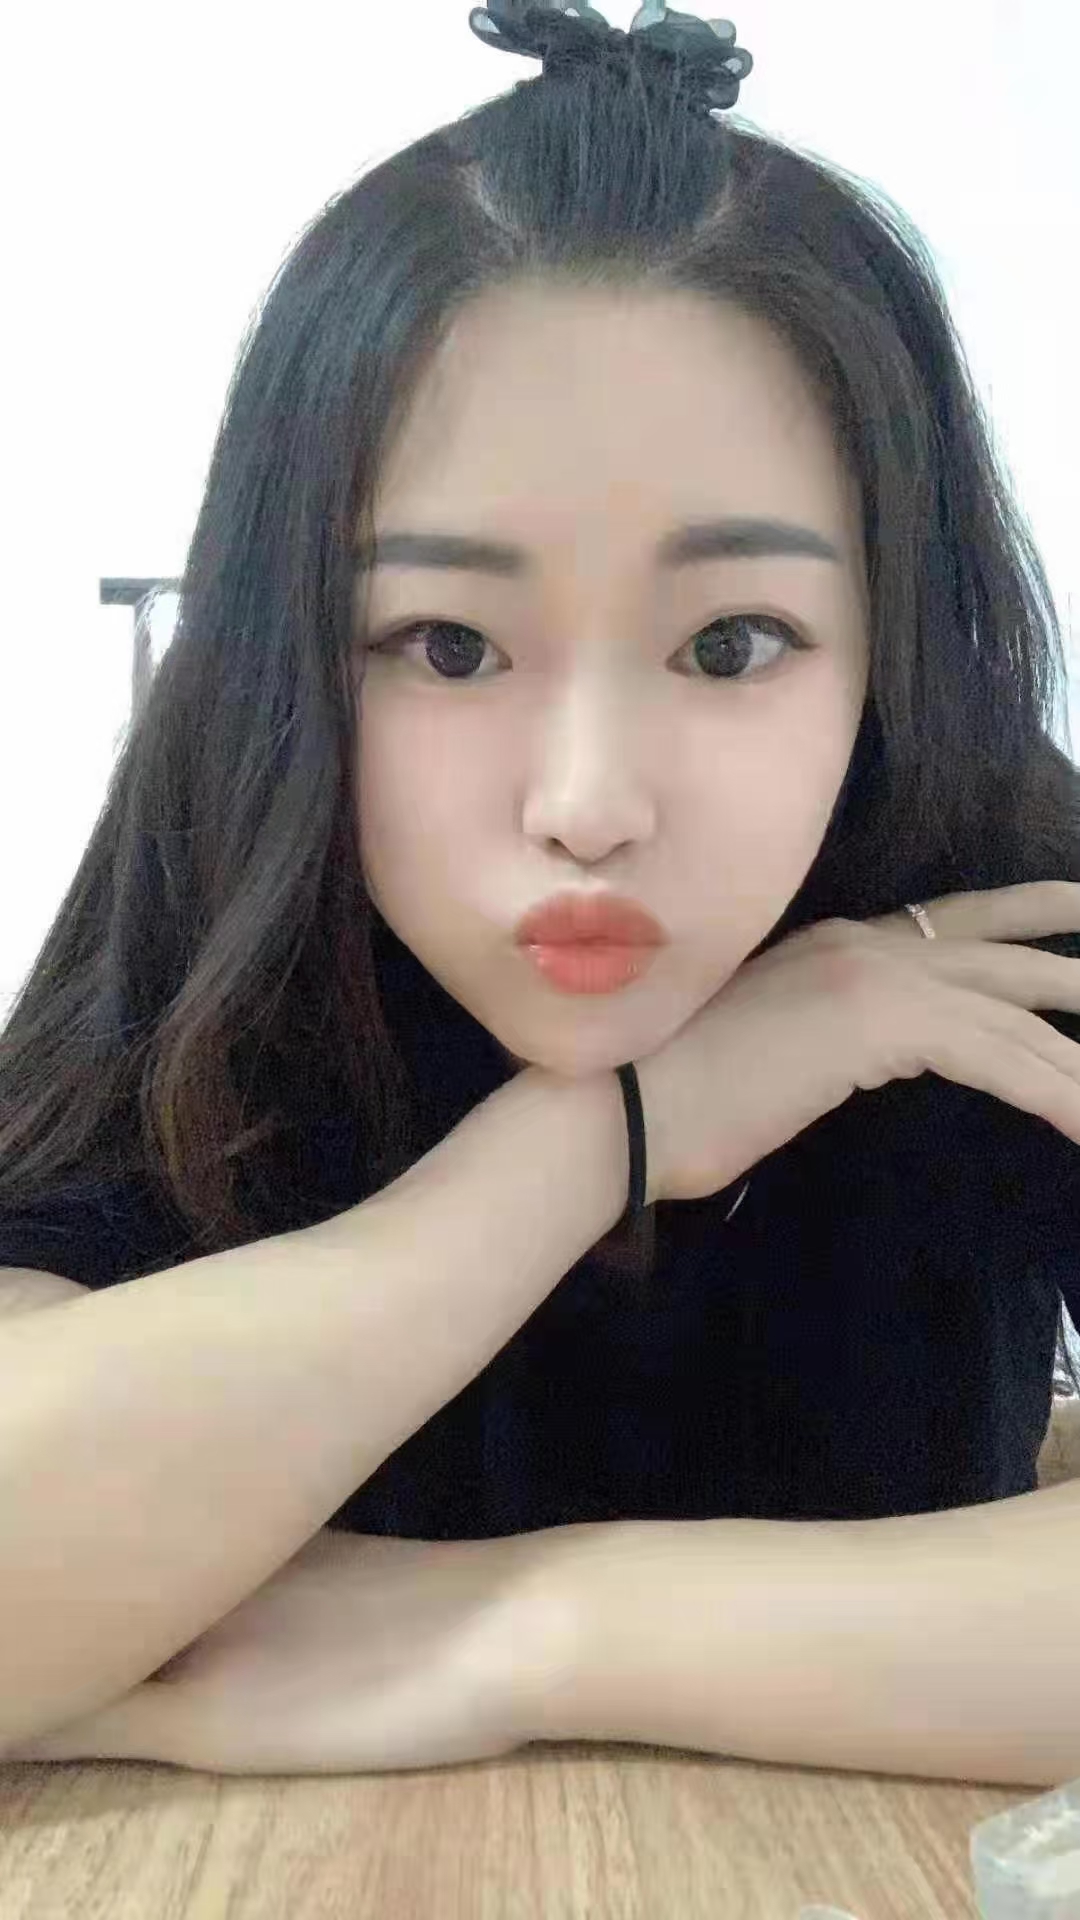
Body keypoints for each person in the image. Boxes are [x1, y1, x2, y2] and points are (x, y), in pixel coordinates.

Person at [1, 0, 1079, 1785]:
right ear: (296, 650)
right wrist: (606, 1138)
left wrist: (513, 1628)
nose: (587, 807)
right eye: (447, 644)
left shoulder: (995, 886)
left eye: (733, 644)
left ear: (890, 638)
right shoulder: (245, 844)